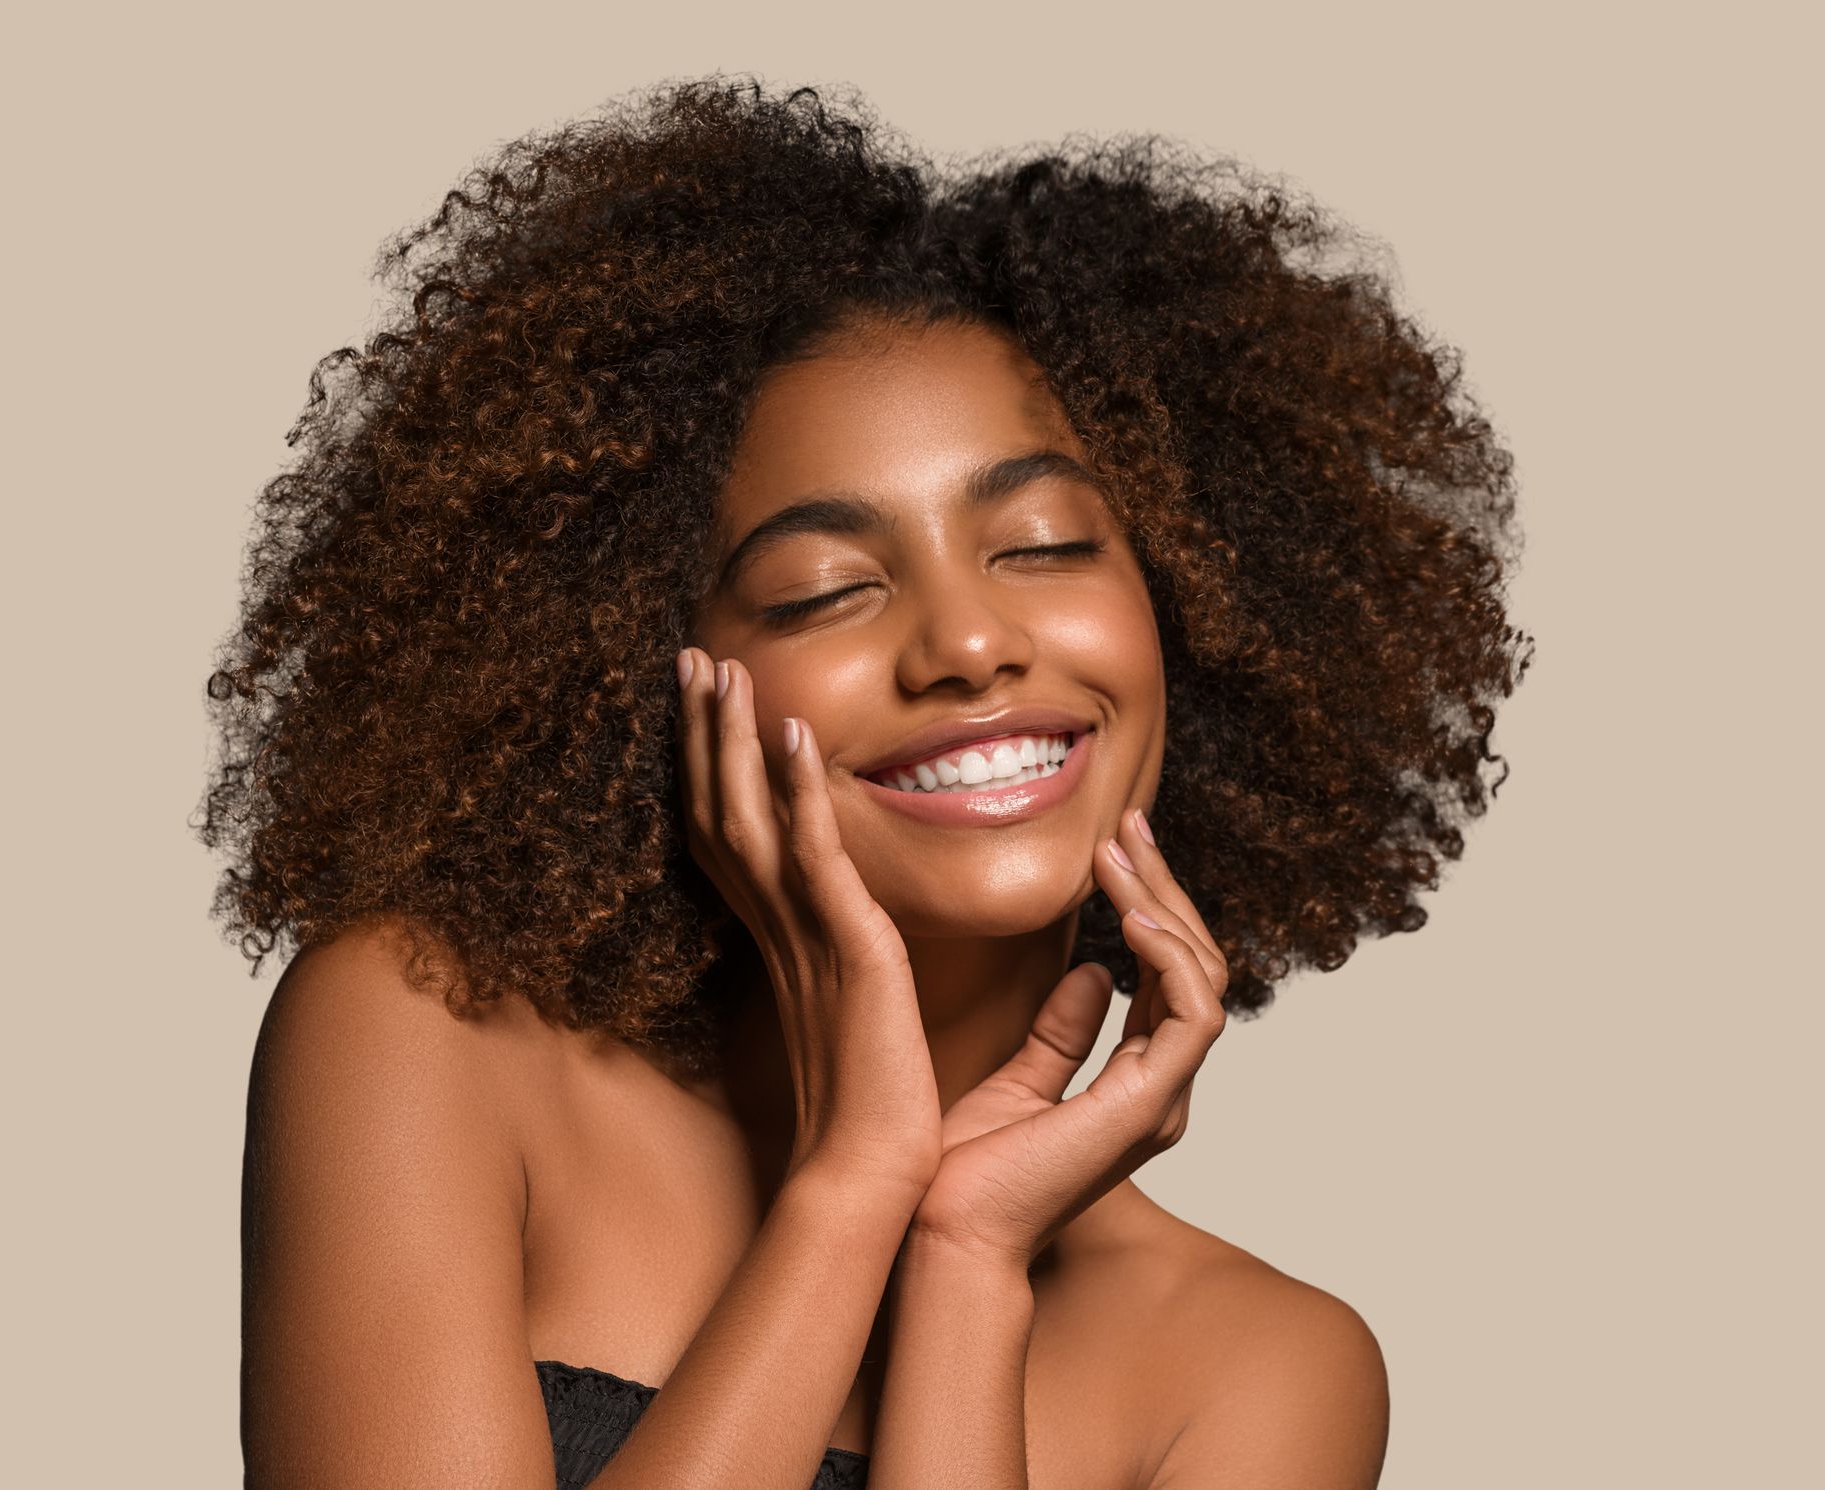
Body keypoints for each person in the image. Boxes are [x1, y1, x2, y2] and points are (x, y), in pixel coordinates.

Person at [204, 75, 1532, 1490]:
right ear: (636, 666)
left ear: (1192, 609)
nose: (968, 642)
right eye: (827, 587)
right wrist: (852, 1189)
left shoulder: (1261, 1371)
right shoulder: (424, 1041)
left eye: (1042, 545)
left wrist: (967, 1255)